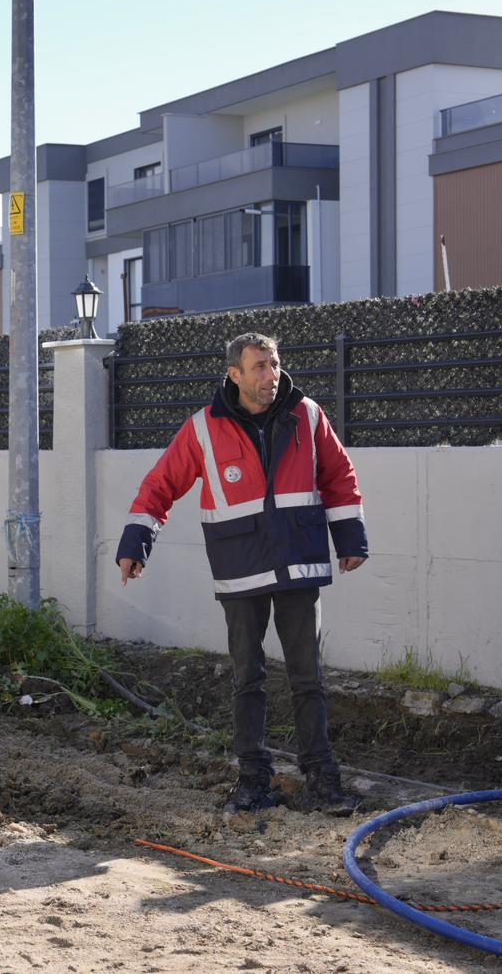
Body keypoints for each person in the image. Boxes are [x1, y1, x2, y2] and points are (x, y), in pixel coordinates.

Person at [115, 333, 368, 816]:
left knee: (307, 677)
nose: (270, 375)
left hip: (299, 562)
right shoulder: (203, 428)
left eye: (273, 365)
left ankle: (323, 779)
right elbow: (161, 484)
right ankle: (253, 780)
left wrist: (350, 537)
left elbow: (338, 474)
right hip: (241, 569)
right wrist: (136, 542)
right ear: (235, 373)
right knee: (246, 678)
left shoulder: (308, 415)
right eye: (259, 367)